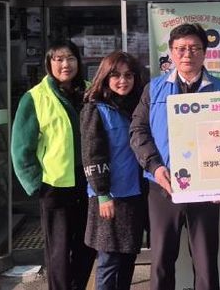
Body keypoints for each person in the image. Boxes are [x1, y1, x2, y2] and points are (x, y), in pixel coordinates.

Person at [129, 23, 220, 290]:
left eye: (194, 48)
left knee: (205, 261)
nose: (187, 54)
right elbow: (138, 131)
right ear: (171, 52)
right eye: (181, 48)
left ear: (205, 52)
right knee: (161, 260)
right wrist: (155, 166)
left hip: (206, 188)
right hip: (162, 186)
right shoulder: (154, 88)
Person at [11, 40, 96, 290]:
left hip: (89, 181)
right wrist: (35, 184)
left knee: (87, 244)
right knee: (59, 249)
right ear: (49, 64)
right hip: (55, 184)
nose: (65, 64)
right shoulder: (35, 97)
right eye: (58, 59)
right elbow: (21, 147)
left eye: (70, 58)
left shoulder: (91, 91)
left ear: (78, 61)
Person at [81, 51, 146, 290]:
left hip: (134, 194)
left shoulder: (138, 106)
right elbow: (92, 153)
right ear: (105, 77)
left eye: (128, 75)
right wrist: (103, 193)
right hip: (109, 196)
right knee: (109, 260)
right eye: (116, 75)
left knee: (128, 256)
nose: (123, 81)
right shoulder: (96, 109)